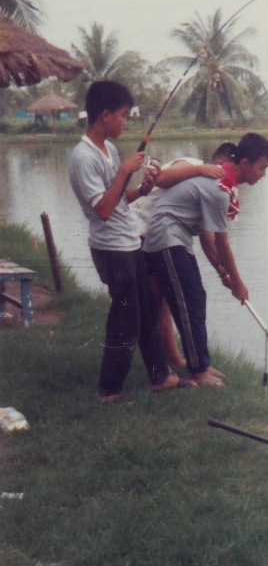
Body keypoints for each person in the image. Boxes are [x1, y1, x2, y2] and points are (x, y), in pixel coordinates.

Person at [68, 80, 181, 403]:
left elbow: (117, 201)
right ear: (105, 115)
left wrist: (142, 190)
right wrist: (123, 173)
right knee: (125, 317)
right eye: (123, 115)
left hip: (129, 243)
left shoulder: (109, 150)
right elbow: (102, 210)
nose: (126, 121)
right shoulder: (82, 158)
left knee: (145, 310)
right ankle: (110, 390)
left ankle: (161, 377)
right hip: (111, 249)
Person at [143, 132, 268, 388]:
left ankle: (200, 363)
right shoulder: (219, 189)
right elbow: (222, 243)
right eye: (262, 167)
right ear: (245, 164)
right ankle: (199, 370)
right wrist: (238, 282)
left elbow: (208, 239)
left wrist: (222, 271)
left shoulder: (223, 183)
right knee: (189, 299)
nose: (264, 174)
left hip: (177, 238)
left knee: (195, 297)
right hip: (165, 237)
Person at [130, 142, 236, 373]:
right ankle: (160, 370)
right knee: (154, 300)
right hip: (139, 230)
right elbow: (160, 177)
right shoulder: (193, 165)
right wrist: (201, 169)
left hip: (156, 236)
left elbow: (208, 238)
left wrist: (221, 270)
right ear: (219, 165)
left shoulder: (205, 187)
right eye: (224, 170)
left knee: (166, 299)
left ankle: (172, 358)